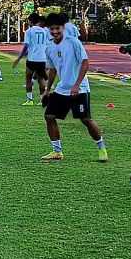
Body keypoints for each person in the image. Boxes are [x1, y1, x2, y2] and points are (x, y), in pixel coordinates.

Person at [41, 13, 108, 163]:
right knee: (49, 116)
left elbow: (85, 63)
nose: (55, 32)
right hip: (62, 88)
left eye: (57, 28)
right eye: (52, 29)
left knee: (85, 119)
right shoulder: (50, 47)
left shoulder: (73, 42)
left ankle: (101, 148)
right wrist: (47, 90)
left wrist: (77, 85)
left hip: (80, 88)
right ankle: (57, 151)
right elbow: (52, 70)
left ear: (63, 28)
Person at [12, 13, 49, 106]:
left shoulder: (29, 31)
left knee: (28, 78)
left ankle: (30, 100)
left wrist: (19, 58)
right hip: (42, 58)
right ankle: (41, 100)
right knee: (41, 80)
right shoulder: (45, 31)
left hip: (32, 58)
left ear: (31, 21)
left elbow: (26, 46)